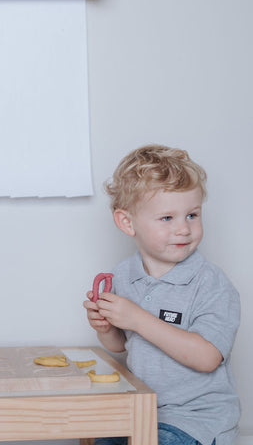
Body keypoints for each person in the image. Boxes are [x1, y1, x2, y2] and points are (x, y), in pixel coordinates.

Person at [84, 144, 240, 445]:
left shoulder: (212, 284)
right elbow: (120, 344)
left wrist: (139, 319)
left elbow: (208, 357)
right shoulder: (124, 274)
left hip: (195, 420)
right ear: (127, 223)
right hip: (143, 410)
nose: (183, 229)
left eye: (192, 215)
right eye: (167, 218)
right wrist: (105, 327)